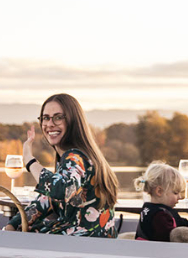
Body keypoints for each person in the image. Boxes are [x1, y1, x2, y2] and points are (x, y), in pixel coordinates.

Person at [6, 93, 118, 237]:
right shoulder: (72, 159)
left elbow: (60, 189)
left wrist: (29, 160)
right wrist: (10, 226)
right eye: (46, 118)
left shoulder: (76, 157)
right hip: (84, 244)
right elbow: (45, 201)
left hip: (85, 247)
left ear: (72, 121)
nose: (50, 124)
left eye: (58, 117)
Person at [133, 161, 188, 243]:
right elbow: (173, 236)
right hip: (160, 252)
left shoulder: (148, 208)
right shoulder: (160, 216)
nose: (180, 197)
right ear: (159, 191)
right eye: (175, 193)